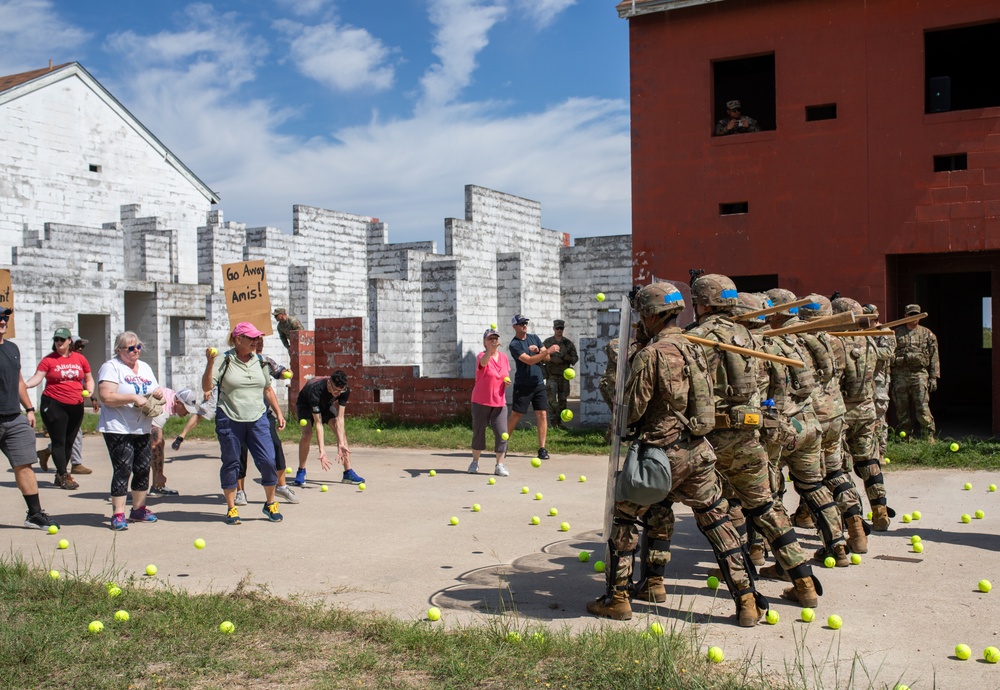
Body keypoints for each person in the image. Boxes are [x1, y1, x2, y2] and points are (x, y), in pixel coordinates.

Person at [587, 282, 766, 626]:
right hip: (697, 452)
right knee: (717, 521)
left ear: (652, 316)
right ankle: (746, 601)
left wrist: (617, 382)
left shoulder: (651, 355)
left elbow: (631, 412)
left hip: (659, 458)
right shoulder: (694, 346)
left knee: (624, 519)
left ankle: (618, 599)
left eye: (643, 315)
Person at [683, 274, 819, 607]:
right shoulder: (752, 336)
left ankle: (743, 596)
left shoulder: (695, 339)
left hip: (709, 440)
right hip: (749, 437)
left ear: (702, 302)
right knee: (766, 507)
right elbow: (778, 387)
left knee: (713, 512)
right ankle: (804, 583)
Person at [762, 289, 850, 567]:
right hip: (809, 420)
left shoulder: (768, 341)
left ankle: (767, 554)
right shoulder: (808, 337)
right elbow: (824, 375)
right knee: (814, 485)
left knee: (769, 494)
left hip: (781, 424)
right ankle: (838, 546)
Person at [203, 323, 287, 524]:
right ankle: (232, 508)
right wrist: (209, 363)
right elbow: (207, 386)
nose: (255, 341)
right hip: (230, 418)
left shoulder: (259, 361)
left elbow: (267, 388)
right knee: (232, 462)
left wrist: (278, 412)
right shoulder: (224, 360)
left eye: (257, 338)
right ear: (238, 339)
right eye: (251, 338)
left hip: (258, 418)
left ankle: (270, 504)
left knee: (268, 460)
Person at [832, 297, 895, 532]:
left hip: (843, 412)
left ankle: (853, 520)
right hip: (866, 409)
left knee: (840, 467)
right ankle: (880, 510)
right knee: (870, 462)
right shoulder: (869, 340)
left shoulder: (836, 343)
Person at [0, 307, 59, 530]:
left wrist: (29, 408)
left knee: (24, 466)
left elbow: (18, 382)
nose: (3, 321)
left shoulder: (12, 349)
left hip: (14, 417)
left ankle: (34, 514)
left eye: (5, 317)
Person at [97, 331, 162, 531]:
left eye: (138, 347)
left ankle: (138, 509)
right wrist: (133, 398)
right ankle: (118, 513)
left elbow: (153, 391)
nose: (136, 352)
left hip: (141, 427)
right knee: (123, 468)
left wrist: (157, 394)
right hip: (118, 427)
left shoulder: (144, 367)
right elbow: (106, 397)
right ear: (119, 350)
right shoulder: (111, 367)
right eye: (130, 348)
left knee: (143, 468)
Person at [24, 328, 95, 490]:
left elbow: (88, 378)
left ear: (70, 341)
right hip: (54, 403)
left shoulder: (80, 359)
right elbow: (38, 377)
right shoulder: (49, 360)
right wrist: (25, 385)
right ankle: (63, 475)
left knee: (70, 441)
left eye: (62, 339)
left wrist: (90, 391)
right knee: (59, 442)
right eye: (56, 339)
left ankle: (59, 475)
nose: (59, 342)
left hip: (76, 404)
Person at [236, 340, 298, 505]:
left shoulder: (264, 361)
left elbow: (278, 372)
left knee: (276, 446)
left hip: (262, 413)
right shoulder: (234, 362)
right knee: (239, 452)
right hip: (238, 414)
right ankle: (240, 491)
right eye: (254, 347)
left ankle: (282, 487)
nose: (256, 351)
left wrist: (287, 372)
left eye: (259, 348)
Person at [295, 370, 364, 485]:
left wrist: (341, 442)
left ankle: (348, 473)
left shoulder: (344, 390)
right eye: (336, 390)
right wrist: (322, 451)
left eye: (340, 391)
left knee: (341, 432)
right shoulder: (315, 389)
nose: (338, 393)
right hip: (306, 405)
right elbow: (318, 423)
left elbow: (340, 418)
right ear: (328, 383)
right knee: (307, 434)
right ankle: (301, 471)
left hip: (326, 406)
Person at [507, 314, 558, 460]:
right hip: (523, 385)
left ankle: (542, 448)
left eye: (526, 323)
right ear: (515, 327)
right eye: (521, 323)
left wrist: (539, 351)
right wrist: (547, 351)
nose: (524, 325)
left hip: (538, 383)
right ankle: (503, 444)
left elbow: (547, 359)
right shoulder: (514, 344)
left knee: (542, 414)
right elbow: (529, 361)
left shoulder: (534, 337)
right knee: (516, 414)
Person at [891, 304, 939, 441]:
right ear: (905, 316)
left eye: (916, 315)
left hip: (919, 374)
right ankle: (905, 435)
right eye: (911, 315)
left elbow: (934, 356)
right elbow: (889, 355)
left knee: (922, 406)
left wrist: (934, 377)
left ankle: (928, 436)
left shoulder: (927, 334)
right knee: (901, 407)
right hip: (900, 375)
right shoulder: (896, 333)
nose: (914, 318)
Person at [468, 328, 511, 476]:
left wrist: (507, 380)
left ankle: (499, 465)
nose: (493, 341)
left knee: (502, 433)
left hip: (499, 402)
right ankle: (475, 462)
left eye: (495, 338)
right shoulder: (481, 356)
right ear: (484, 342)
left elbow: (505, 374)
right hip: (481, 401)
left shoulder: (504, 358)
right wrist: (490, 351)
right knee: (479, 431)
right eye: (490, 339)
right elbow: (484, 363)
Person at [147, 387, 199, 497]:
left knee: (160, 443)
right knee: (147, 450)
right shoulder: (163, 408)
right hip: (123, 425)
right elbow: (154, 443)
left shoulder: (170, 395)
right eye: (186, 408)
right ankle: (122, 493)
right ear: (178, 403)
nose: (187, 413)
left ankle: (157, 487)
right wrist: (160, 474)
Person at [863, 304, 895, 461]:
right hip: (863, 379)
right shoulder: (861, 333)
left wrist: (868, 347)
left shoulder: (885, 332)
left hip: (879, 380)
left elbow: (887, 353)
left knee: (879, 415)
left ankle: (881, 452)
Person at [542, 320, 578, 429]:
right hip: (551, 375)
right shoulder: (548, 342)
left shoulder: (568, 343)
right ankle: (553, 423)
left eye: (561, 328)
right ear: (553, 329)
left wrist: (569, 358)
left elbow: (575, 358)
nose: (559, 330)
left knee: (563, 400)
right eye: (557, 328)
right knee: (552, 400)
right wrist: (551, 359)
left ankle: (560, 423)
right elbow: (542, 355)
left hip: (564, 376)